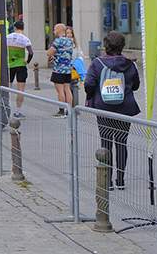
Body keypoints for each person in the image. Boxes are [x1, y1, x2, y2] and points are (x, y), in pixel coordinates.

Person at [83, 30, 140, 190]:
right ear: (122, 45)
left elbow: (89, 84)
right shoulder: (130, 63)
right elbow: (136, 85)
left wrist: (91, 96)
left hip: (104, 109)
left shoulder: (97, 63)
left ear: (106, 45)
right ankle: (120, 180)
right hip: (125, 109)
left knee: (105, 143)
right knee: (122, 143)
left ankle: (107, 181)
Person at [6, 20, 33, 118]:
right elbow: (31, 52)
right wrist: (27, 61)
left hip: (9, 65)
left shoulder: (7, 37)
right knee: (20, 89)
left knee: (7, 88)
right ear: (23, 29)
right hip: (21, 65)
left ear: (15, 27)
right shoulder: (25, 39)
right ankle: (17, 111)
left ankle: (6, 108)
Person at [47, 23, 74, 118]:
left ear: (58, 31)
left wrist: (50, 54)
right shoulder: (70, 41)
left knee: (60, 90)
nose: (54, 32)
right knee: (67, 89)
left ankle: (61, 110)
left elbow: (49, 52)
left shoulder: (57, 41)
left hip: (59, 69)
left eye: (54, 30)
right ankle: (69, 109)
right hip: (68, 69)